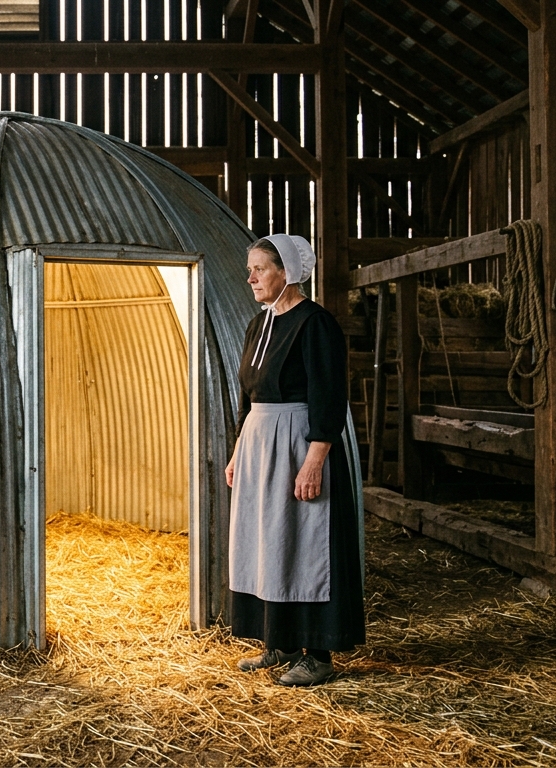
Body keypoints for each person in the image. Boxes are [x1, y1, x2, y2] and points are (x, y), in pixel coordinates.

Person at [223, 234, 365, 687]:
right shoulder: (258, 325)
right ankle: (280, 642)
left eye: (259, 269)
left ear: (286, 272)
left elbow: (330, 395)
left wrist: (314, 459)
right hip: (260, 447)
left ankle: (318, 653)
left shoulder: (315, 323)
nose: (251, 278)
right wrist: (237, 452)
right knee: (269, 541)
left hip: (300, 443)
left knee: (305, 543)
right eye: (250, 269)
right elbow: (249, 397)